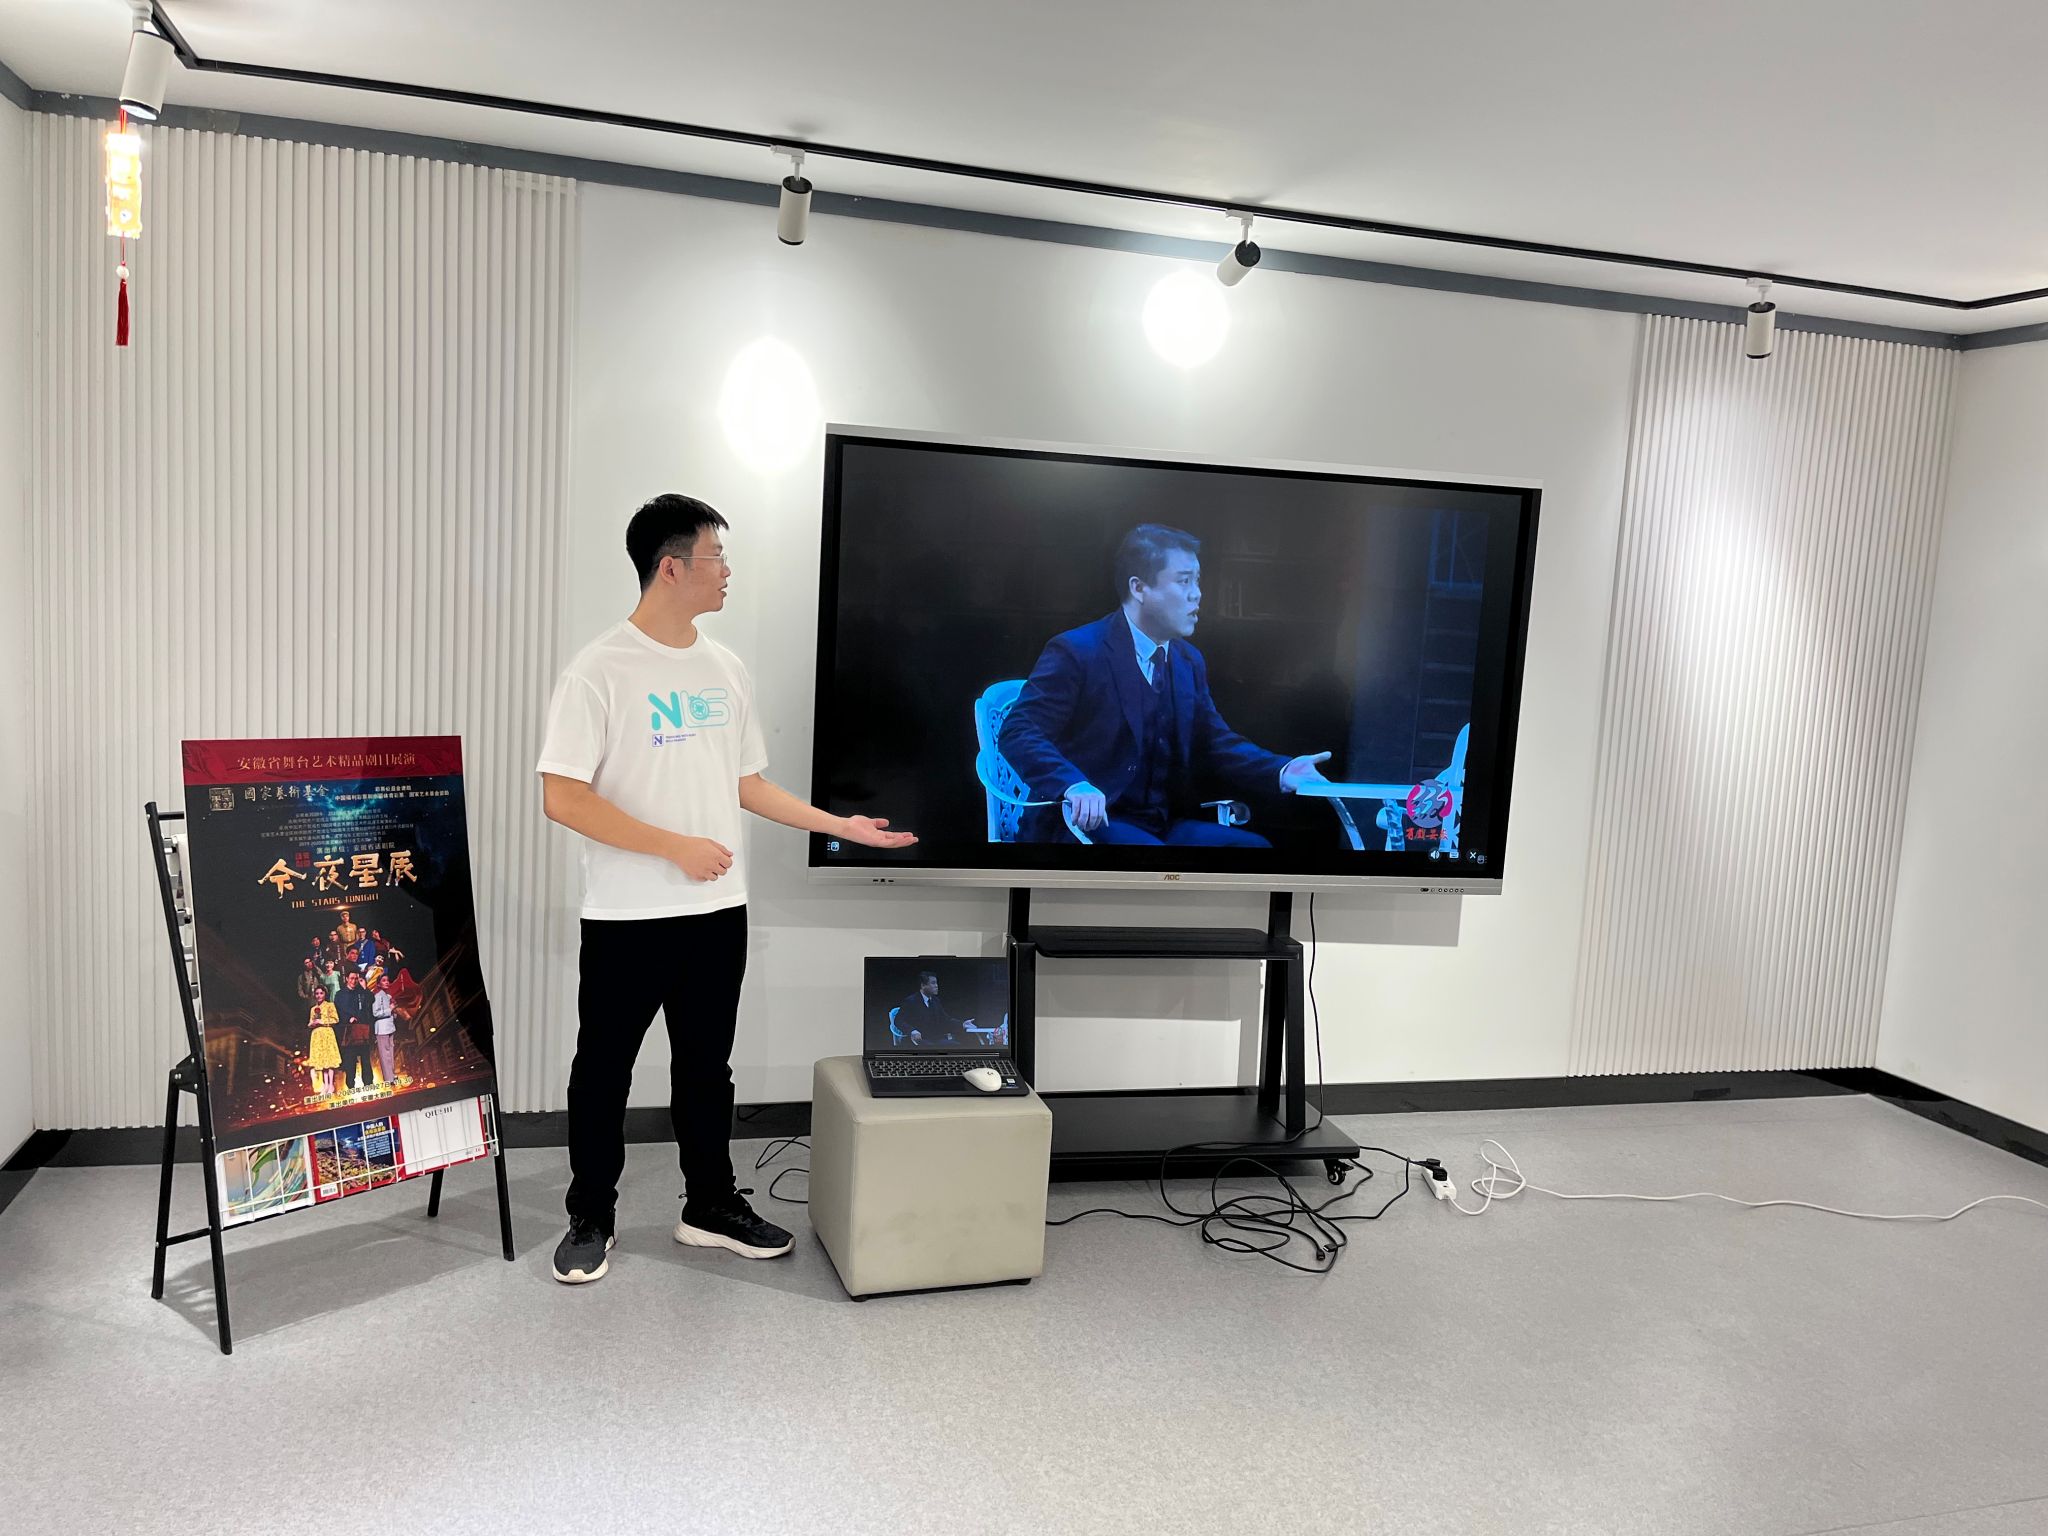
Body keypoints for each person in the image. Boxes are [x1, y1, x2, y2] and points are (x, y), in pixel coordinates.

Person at [536, 493, 917, 1285]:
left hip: (716, 914)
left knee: (706, 1069)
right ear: (671, 568)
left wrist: (838, 825)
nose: (727, 572)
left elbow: (746, 783)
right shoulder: (598, 670)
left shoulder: (725, 668)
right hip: (628, 916)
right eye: (716, 557)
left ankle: (708, 1204)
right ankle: (591, 1216)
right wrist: (673, 846)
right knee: (603, 1071)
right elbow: (563, 797)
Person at [998, 523, 1333, 845]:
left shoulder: (1187, 661)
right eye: (1184, 581)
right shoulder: (1078, 651)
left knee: (1251, 849)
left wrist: (1281, 769)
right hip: (1082, 824)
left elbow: (1215, 742)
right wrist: (1074, 785)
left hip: (1159, 824)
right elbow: (1019, 730)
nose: (1197, 594)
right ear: (1139, 588)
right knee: (1153, 861)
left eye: (1197, 581)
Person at [896, 971, 969, 1046]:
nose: (936, 986)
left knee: (956, 1045)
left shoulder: (935, 1001)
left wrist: (962, 1024)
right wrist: (912, 1031)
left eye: (936, 983)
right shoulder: (911, 1001)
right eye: (933, 983)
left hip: (934, 1039)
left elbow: (945, 1019)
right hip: (917, 1040)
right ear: (923, 985)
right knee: (931, 1047)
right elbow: (898, 1021)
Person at [334, 971, 375, 1093]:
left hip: (362, 1029)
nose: (354, 981)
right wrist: (348, 1018)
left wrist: (364, 988)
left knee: (365, 1058)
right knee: (350, 1060)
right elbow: (338, 1010)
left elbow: (371, 999)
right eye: (351, 978)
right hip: (348, 1030)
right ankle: (350, 1086)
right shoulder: (340, 994)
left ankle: (368, 1083)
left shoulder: (361, 992)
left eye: (356, 979)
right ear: (347, 978)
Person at [306, 986, 340, 1098]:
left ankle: (331, 1085)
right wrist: (312, 1023)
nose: (319, 995)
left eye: (321, 993)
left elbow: (336, 1019)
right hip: (317, 1035)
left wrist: (323, 1021)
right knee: (322, 1062)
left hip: (327, 1033)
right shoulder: (313, 1009)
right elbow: (310, 1022)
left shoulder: (330, 1005)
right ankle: (325, 1086)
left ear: (325, 994)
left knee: (329, 1061)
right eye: (317, 993)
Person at [371, 977, 399, 1087]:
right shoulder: (377, 996)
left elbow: (392, 1012)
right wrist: (390, 1009)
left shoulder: (388, 996)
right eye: (383, 980)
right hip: (382, 1028)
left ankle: (392, 1075)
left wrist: (394, 1010)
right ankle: (388, 1078)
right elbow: (375, 1013)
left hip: (390, 1026)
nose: (387, 982)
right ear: (378, 984)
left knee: (391, 1053)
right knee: (384, 1054)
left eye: (388, 980)